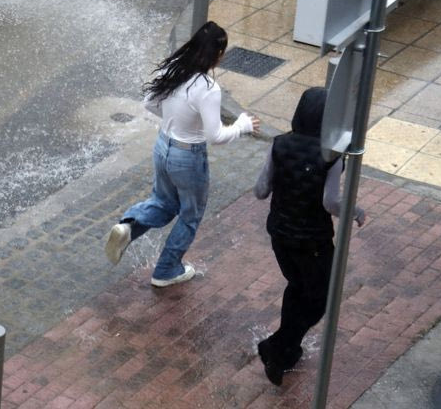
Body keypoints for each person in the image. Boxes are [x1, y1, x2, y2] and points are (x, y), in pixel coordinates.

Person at [104, 21, 259, 287]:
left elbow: (149, 103)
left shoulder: (173, 68)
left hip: (163, 145)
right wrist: (242, 126)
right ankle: (166, 270)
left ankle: (128, 226)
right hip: (188, 157)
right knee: (190, 214)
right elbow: (216, 136)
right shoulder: (208, 89)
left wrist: (176, 119)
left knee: (164, 202)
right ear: (217, 54)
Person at [252, 86, 365, 385]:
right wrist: (354, 210)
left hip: (280, 233)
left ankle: (285, 350)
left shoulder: (279, 144)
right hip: (313, 239)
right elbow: (330, 203)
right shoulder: (331, 157)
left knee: (297, 285)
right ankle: (276, 347)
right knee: (320, 298)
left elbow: (261, 191)